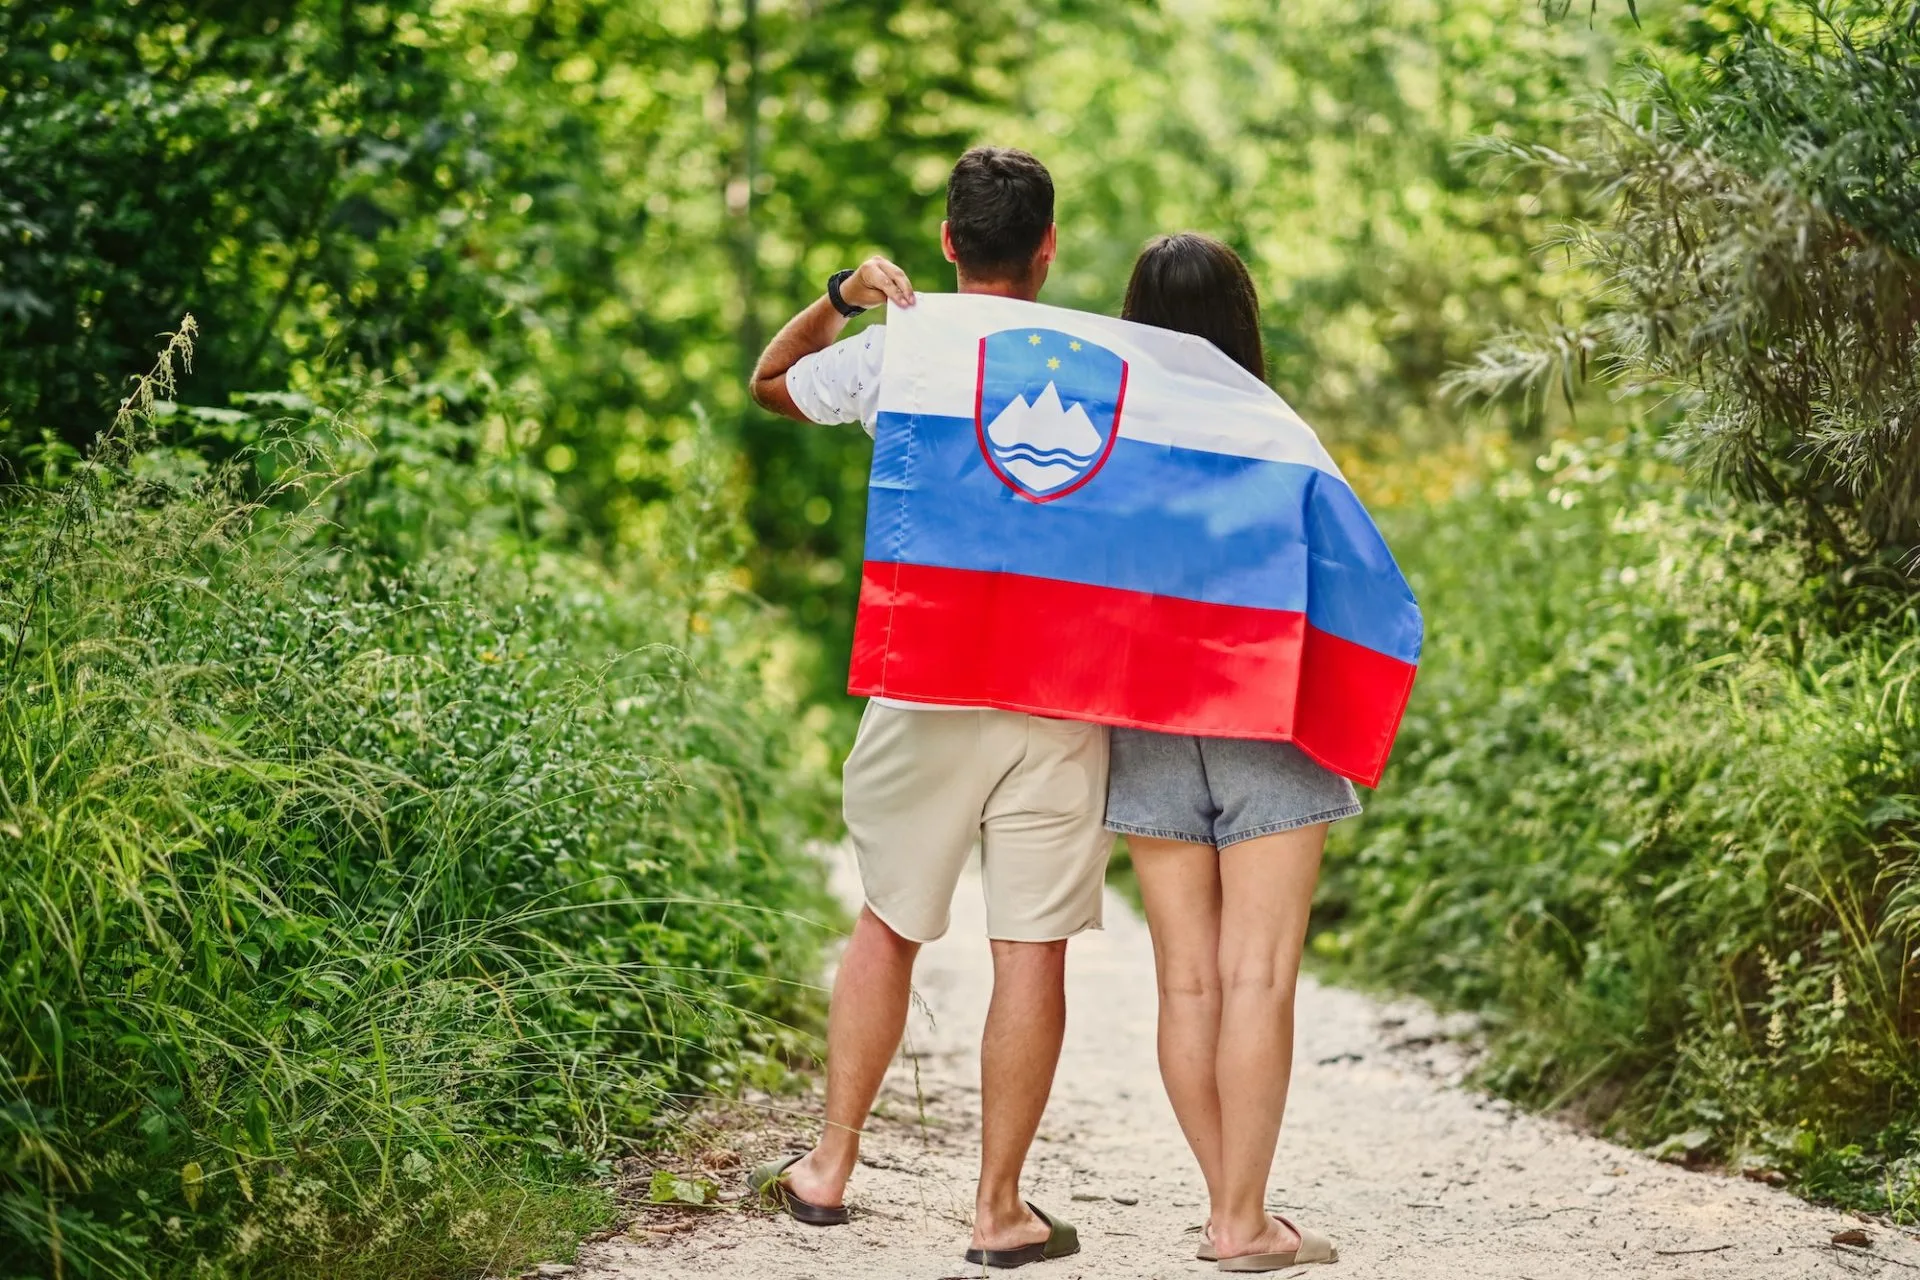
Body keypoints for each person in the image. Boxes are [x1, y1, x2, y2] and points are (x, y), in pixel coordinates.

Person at [742, 145, 1101, 1270]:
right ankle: (999, 1208)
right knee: (1030, 945)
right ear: (1047, 250)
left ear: (947, 245)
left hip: (925, 672)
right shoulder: (1104, 368)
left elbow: (768, 382)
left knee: (890, 921)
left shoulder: (897, 351)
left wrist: (840, 295)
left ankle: (828, 1168)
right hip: (1057, 688)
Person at [1104, 231, 1350, 1273]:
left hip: (1147, 722)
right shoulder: (1281, 433)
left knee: (1188, 986)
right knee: (1258, 977)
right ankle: (1243, 1221)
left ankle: (1230, 1207)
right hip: (1269, 718)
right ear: (1242, 318)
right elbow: (1344, 579)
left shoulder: (1107, 446)